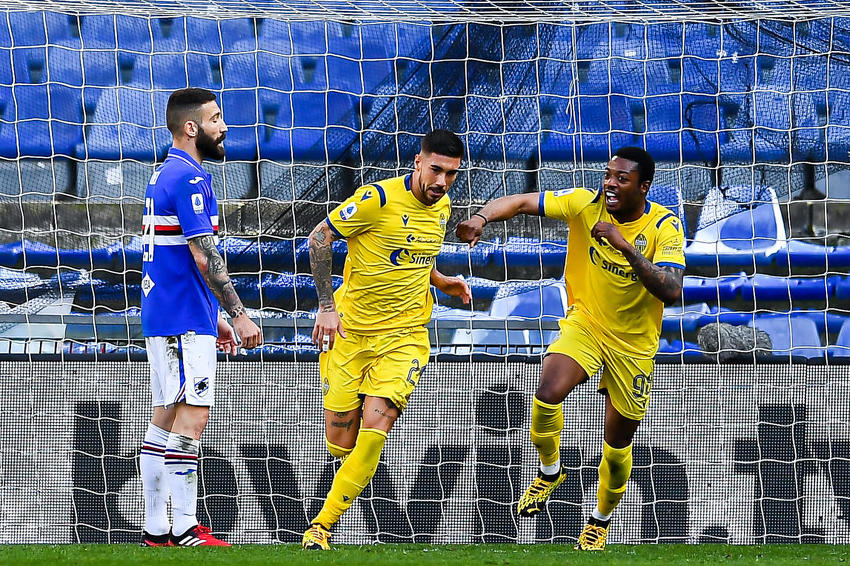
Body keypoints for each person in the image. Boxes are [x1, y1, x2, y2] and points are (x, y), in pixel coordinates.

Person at [456, 146, 684, 551]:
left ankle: (599, 521)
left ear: (643, 186)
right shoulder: (584, 204)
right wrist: (481, 217)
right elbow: (523, 201)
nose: (610, 184)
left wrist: (625, 246)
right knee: (547, 393)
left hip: (633, 346)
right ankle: (549, 471)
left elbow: (671, 289)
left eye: (621, 179)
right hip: (586, 324)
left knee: (616, 451)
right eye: (608, 175)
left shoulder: (666, 227)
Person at [302, 129, 472, 550]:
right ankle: (344, 478)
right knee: (341, 441)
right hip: (351, 332)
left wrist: (441, 279)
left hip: (406, 336)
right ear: (418, 161)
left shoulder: (442, 206)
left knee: (377, 427)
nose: (442, 182)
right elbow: (318, 238)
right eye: (436, 170)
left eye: (451, 175)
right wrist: (326, 306)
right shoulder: (376, 200)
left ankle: (320, 527)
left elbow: (417, 256)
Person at [139, 87, 262, 547]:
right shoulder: (190, 179)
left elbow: (178, 258)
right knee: (193, 419)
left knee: (165, 419)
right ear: (191, 128)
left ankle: (156, 532)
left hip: (168, 313)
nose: (223, 126)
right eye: (215, 119)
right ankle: (187, 529)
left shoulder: (161, 175)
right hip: (184, 317)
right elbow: (204, 257)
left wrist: (217, 318)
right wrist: (239, 313)